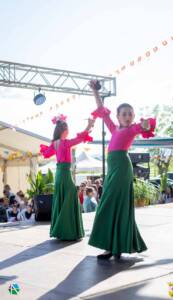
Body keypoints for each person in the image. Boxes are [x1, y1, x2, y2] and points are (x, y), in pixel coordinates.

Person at [88, 80, 156, 259]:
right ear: (118, 116)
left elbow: (145, 126)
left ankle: (112, 246)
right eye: (124, 114)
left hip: (122, 169)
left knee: (109, 203)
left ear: (133, 117)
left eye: (130, 114)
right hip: (112, 170)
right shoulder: (113, 128)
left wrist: (146, 124)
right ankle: (112, 247)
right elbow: (101, 110)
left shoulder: (133, 129)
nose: (127, 116)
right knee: (112, 205)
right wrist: (95, 91)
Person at [40, 114, 95, 240]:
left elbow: (46, 154)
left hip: (59, 174)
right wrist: (89, 125)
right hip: (64, 173)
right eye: (67, 128)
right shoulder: (65, 143)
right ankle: (65, 229)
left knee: (63, 197)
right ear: (64, 130)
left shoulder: (55, 143)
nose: (68, 130)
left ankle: (62, 229)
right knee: (70, 195)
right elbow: (80, 138)